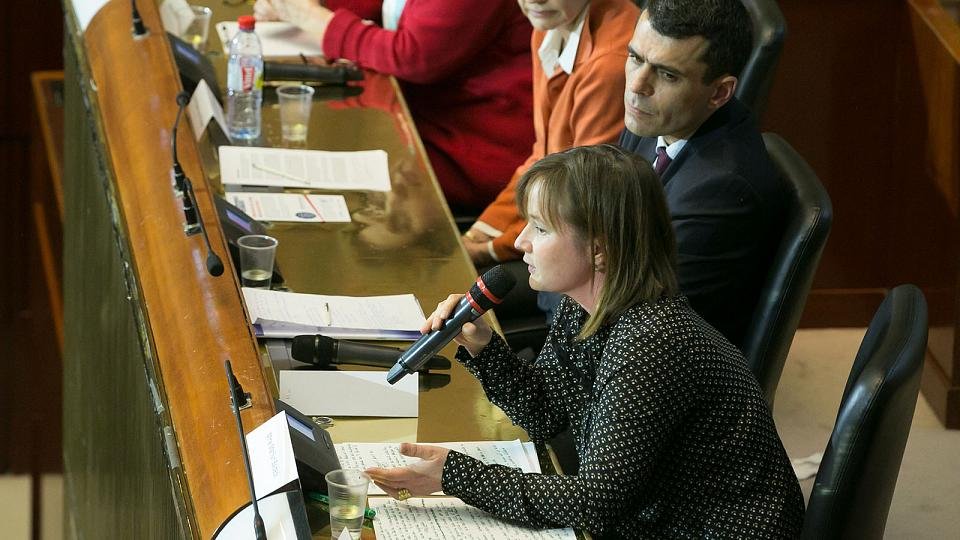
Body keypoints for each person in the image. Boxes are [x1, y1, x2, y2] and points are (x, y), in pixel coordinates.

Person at [365, 145, 805, 538]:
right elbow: (548, 413)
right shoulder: (581, 305)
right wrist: (483, 347)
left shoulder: (651, 342)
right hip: (652, 518)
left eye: (540, 228)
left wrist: (456, 476)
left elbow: (595, 503)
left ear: (599, 249)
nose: (520, 242)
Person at [253, 0, 535, 214]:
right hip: (422, 117)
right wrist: (307, 7)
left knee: (308, 173)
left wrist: (308, 15)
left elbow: (413, 56)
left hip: (472, 147)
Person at [459, 0, 640, 265]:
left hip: (587, 243)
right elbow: (543, 156)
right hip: (551, 216)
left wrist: (491, 249)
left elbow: (581, 195)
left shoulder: (607, 65)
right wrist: (482, 231)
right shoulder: (548, 25)